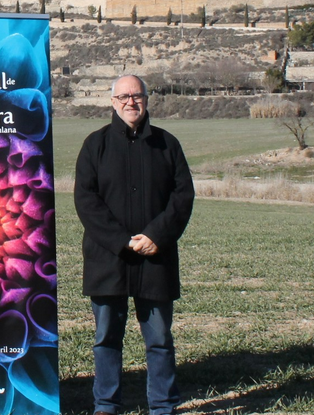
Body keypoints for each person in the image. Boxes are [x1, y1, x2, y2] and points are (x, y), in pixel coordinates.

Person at [73, 74, 195, 415]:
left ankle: (162, 406)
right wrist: (122, 241)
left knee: (159, 340)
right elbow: (86, 200)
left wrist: (157, 236)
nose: (131, 102)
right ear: (112, 102)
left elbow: (182, 196)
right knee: (106, 339)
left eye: (137, 96)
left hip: (156, 258)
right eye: (124, 96)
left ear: (147, 100)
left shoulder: (167, 144)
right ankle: (106, 405)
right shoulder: (94, 145)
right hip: (107, 259)